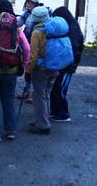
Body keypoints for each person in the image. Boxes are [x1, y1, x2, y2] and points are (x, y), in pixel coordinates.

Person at [0, 0, 30, 142]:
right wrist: (23, 65)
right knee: (8, 100)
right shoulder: (16, 26)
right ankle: (10, 131)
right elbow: (26, 48)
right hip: (10, 69)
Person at [25, 7, 58, 135]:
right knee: (46, 95)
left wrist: (28, 71)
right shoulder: (53, 28)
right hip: (55, 66)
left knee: (39, 97)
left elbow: (33, 55)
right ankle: (44, 120)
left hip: (42, 69)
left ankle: (43, 125)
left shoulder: (37, 32)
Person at [49, 7, 84, 122]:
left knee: (60, 89)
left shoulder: (72, 29)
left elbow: (70, 47)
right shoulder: (71, 26)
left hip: (67, 66)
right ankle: (55, 111)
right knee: (56, 88)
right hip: (63, 64)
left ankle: (64, 114)